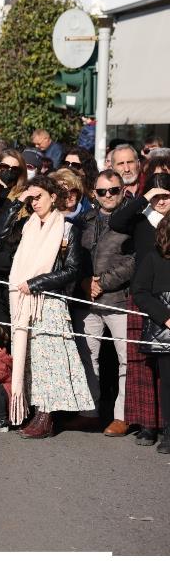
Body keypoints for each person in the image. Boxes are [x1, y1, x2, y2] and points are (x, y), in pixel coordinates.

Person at [7, 175, 93, 439]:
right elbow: (1, 234)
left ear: (53, 197)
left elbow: (72, 270)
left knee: (49, 363)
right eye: (31, 198)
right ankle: (36, 413)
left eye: (39, 197)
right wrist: (16, 203)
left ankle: (46, 418)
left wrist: (36, 283)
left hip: (49, 302)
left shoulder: (68, 228)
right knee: (31, 360)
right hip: (24, 303)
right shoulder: (27, 225)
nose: (34, 203)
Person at [110, 172, 170, 444]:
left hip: (168, 298)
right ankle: (147, 425)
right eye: (156, 196)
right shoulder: (140, 217)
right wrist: (144, 197)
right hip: (142, 296)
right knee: (140, 363)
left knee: (166, 369)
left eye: (166, 195)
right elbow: (116, 220)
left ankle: (167, 426)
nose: (161, 201)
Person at [74, 170, 133, 436]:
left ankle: (122, 416)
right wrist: (86, 281)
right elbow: (76, 254)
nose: (108, 195)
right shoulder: (84, 220)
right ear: (93, 194)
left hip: (120, 299)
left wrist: (103, 282)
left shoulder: (135, 220)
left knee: (127, 361)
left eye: (113, 190)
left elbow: (135, 260)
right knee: (87, 357)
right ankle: (89, 412)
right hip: (87, 300)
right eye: (101, 191)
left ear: (123, 190)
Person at [129, 214, 170, 454]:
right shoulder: (154, 259)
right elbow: (140, 291)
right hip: (165, 331)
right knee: (168, 383)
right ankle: (168, 432)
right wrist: (165, 317)